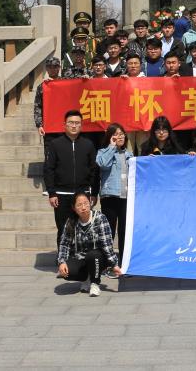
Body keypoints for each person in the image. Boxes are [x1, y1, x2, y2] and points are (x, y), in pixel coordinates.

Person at [44, 110, 100, 249]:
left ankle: (81, 257)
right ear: (65, 124)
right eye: (71, 123)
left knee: (84, 227)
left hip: (83, 194)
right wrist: (52, 192)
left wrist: (94, 193)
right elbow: (49, 169)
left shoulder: (88, 144)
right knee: (63, 229)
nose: (74, 126)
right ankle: (63, 258)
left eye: (77, 123)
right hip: (61, 195)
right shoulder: (55, 144)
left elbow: (94, 170)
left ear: (81, 125)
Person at [56, 192, 122, 297]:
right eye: (79, 205)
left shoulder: (100, 218)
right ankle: (86, 277)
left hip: (99, 258)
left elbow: (107, 244)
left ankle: (95, 283)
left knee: (93, 255)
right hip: (80, 258)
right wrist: (62, 262)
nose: (83, 207)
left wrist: (114, 264)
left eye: (86, 203)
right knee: (67, 272)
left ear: (90, 203)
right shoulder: (71, 221)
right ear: (73, 208)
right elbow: (64, 244)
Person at [96, 123, 133, 259]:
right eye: (116, 134)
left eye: (121, 133)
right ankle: (108, 261)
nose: (120, 136)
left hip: (126, 197)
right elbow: (103, 164)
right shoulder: (102, 152)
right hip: (110, 197)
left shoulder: (129, 154)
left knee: (124, 231)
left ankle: (123, 261)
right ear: (110, 137)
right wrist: (111, 147)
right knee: (109, 231)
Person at [33, 56, 61, 138]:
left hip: (64, 126)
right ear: (46, 69)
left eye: (55, 67)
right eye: (49, 67)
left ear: (59, 68)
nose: (52, 69)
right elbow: (38, 106)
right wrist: (39, 125)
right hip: (49, 126)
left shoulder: (66, 83)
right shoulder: (42, 87)